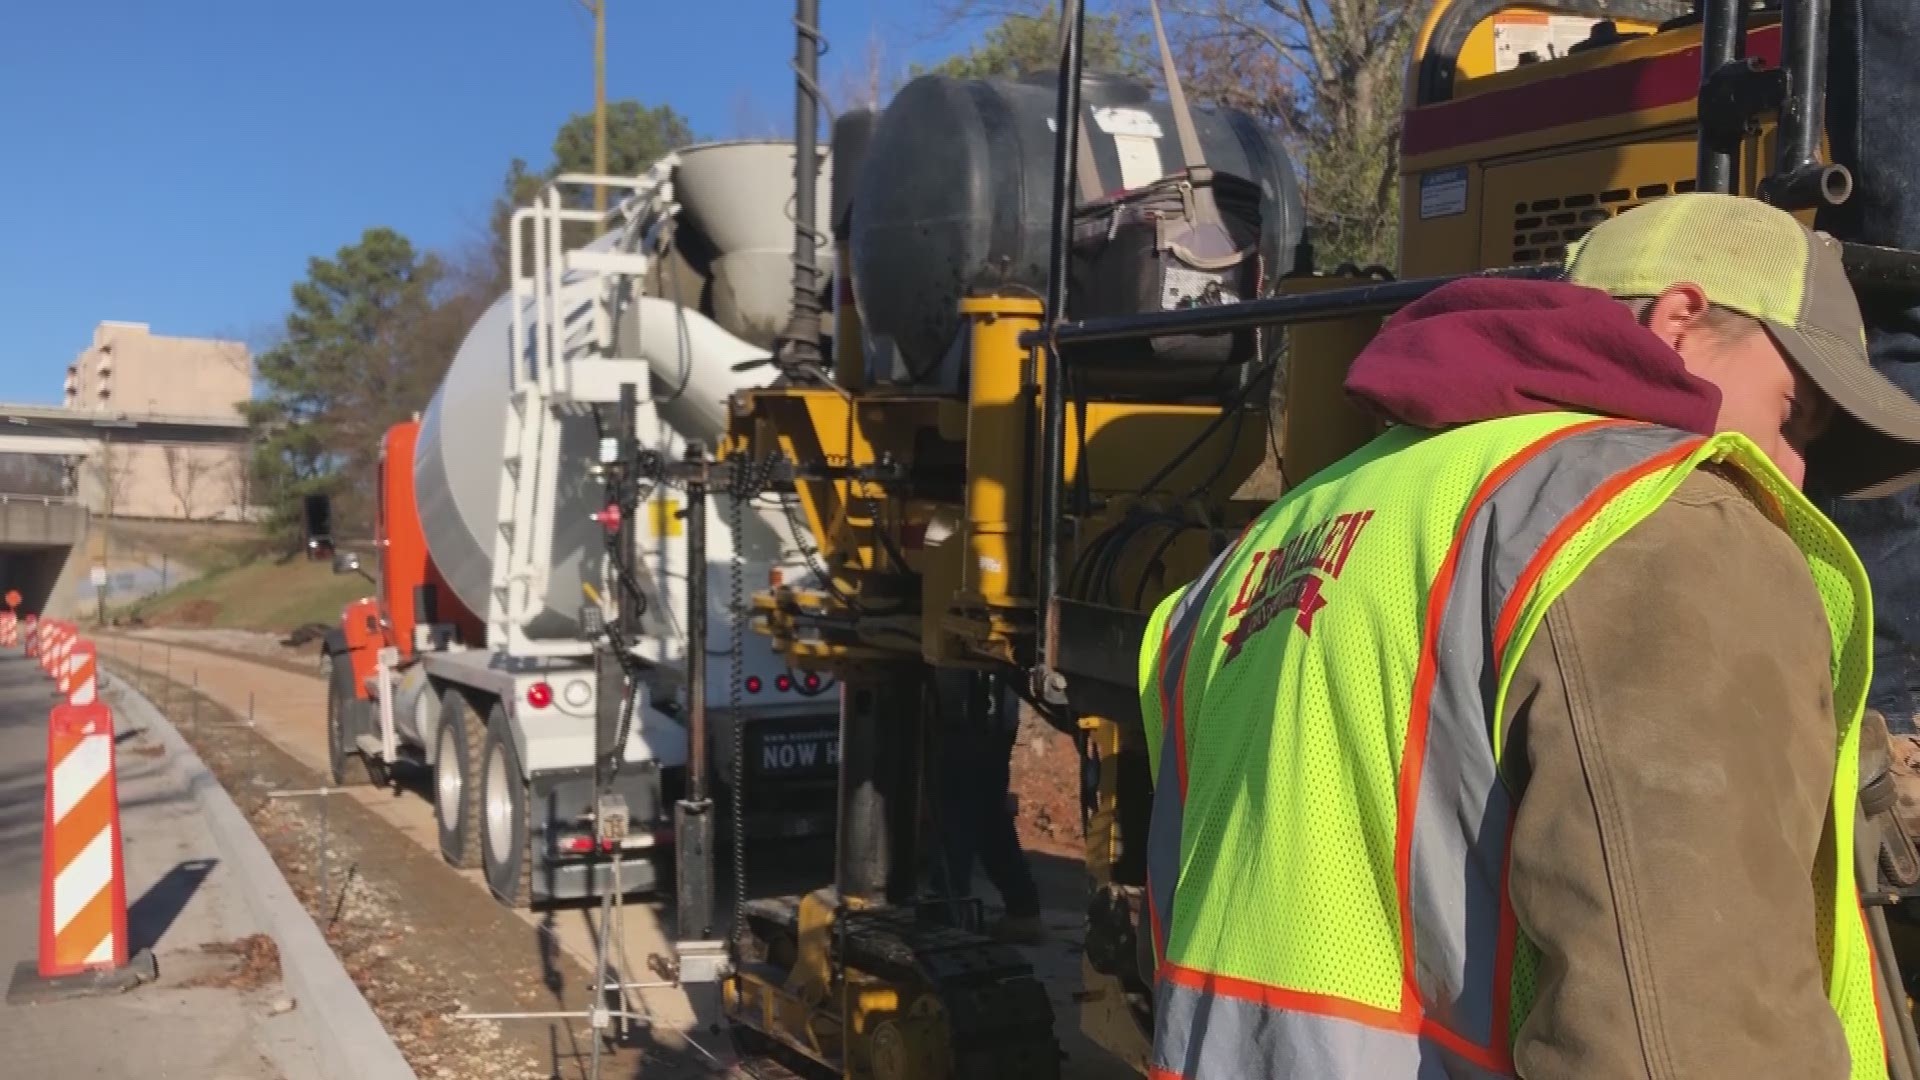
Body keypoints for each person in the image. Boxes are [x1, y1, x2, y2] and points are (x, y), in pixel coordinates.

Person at [1137, 193, 1920, 1079]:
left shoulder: (1280, 534)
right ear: (1680, 322)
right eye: (1796, 413)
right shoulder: (1666, 523)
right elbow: (1685, 1036)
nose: (1792, 472)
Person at [931, 670, 1044, 944]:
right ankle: (1023, 910)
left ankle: (951, 921)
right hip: (994, 721)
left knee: (957, 820)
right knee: (991, 817)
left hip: (964, 720)